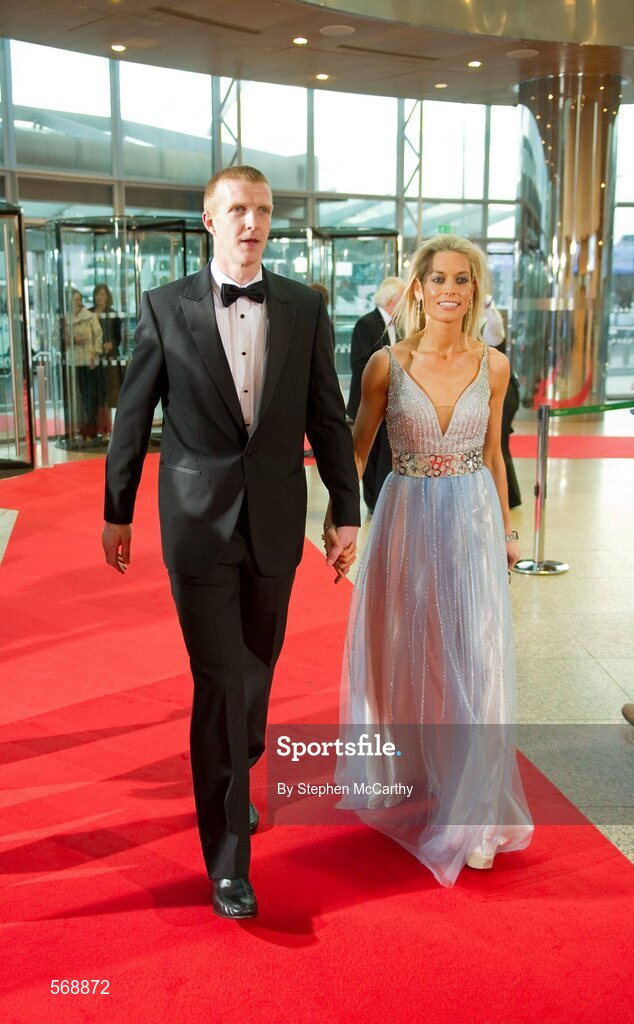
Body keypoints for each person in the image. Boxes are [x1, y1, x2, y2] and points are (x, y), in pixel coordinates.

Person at [102, 166, 360, 919]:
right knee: (219, 682)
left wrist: (345, 507)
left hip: (275, 519)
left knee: (255, 673)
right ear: (210, 220)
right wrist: (117, 509)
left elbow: (328, 415)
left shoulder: (305, 306)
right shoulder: (164, 307)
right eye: (237, 210)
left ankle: (235, 774)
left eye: (263, 210)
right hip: (197, 524)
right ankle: (227, 865)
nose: (253, 222)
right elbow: (132, 415)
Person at [332, 235, 533, 887]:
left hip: (472, 516)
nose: (450, 290)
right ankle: (408, 767)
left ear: (476, 290)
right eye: (438, 279)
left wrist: (505, 530)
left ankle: (474, 812)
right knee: (406, 652)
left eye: (463, 280)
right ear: (417, 288)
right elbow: (358, 450)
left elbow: (496, 453)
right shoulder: (385, 365)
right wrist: (339, 524)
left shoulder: (494, 365)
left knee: (476, 660)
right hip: (406, 516)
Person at [347, 277, 405, 511]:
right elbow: (358, 363)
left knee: (385, 451)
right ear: (392, 300)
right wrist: (386, 375)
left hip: (392, 402)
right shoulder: (366, 323)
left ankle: (383, 498)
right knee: (367, 454)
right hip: (367, 400)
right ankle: (372, 501)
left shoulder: (401, 326)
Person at [480, 295, 522, 508]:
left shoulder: (489, 329)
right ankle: (507, 495)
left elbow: (496, 327)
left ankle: (505, 496)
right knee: (496, 445)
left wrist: (489, 306)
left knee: (496, 444)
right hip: (488, 391)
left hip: (504, 393)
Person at [66, 288, 102, 442]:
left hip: (89, 362)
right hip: (72, 362)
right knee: (76, 398)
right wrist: (71, 341)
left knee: (90, 396)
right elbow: (58, 340)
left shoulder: (90, 317)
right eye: (74, 299)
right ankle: (76, 428)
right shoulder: (65, 318)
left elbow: (98, 336)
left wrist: (95, 353)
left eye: (79, 299)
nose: (77, 302)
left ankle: (91, 428)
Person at [90, 283, 122, 438]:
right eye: (97, 294)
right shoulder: (88, 313)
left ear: (107, 296)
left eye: (102, 294)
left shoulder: (113, 314)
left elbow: (118, 338)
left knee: (108, 394)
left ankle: (107, 429)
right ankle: (93, 428)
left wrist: (112, 345)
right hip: (92, 358)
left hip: (109, 358)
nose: (99, 297)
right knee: (94, 393)